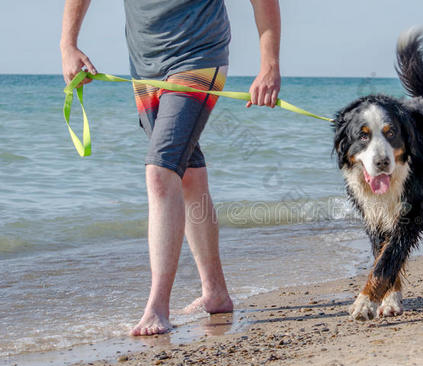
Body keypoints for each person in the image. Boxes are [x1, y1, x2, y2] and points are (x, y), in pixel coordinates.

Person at [60, 0, 281, 336]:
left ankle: (157, 308)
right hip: (145, 66)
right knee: (187, 175)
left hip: (199, 57)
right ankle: (216, 293)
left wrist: (269, 65)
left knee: (160, 172)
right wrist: (68, 44)